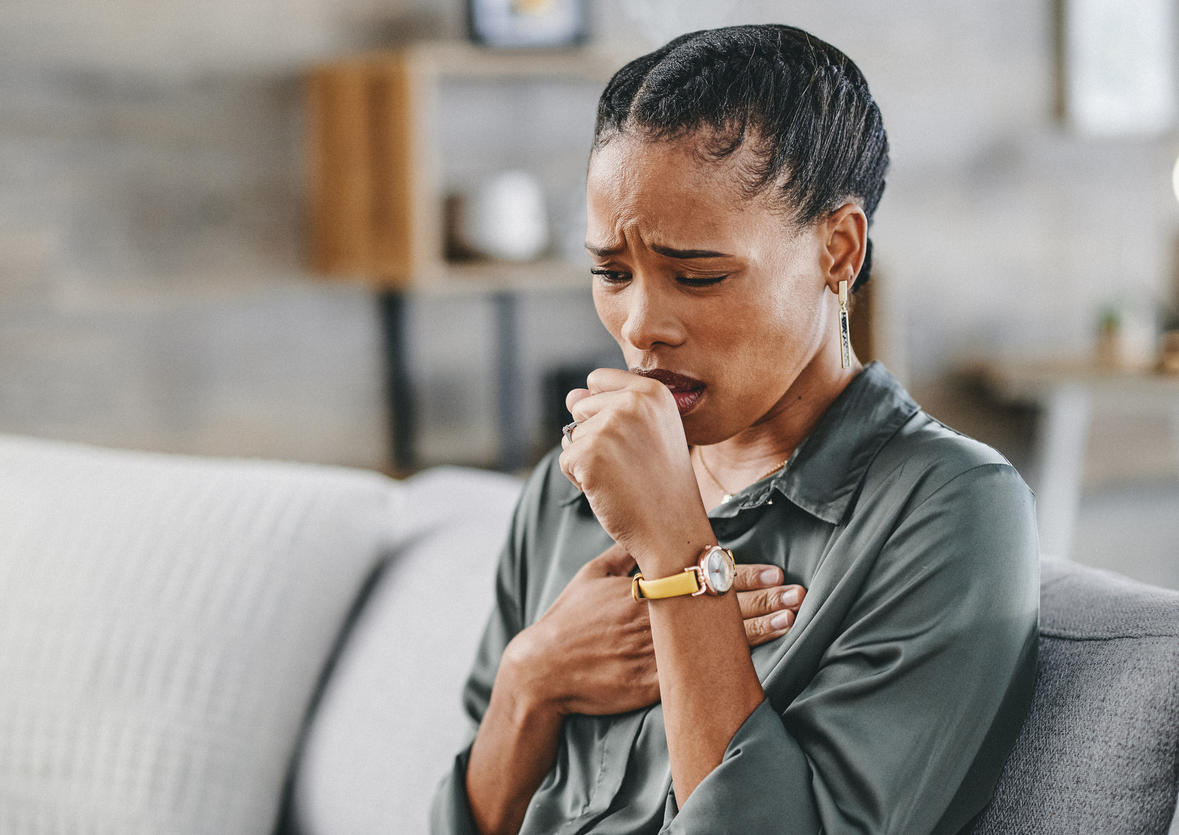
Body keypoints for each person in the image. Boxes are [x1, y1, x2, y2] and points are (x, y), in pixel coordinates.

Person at [431, 24, 1038, 835]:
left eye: (698, 274)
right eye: (610, 272)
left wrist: (679, 557)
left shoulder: (949, 510)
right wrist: (531, 675)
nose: (641, 326)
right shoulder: (570, 486)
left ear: (838, 250)